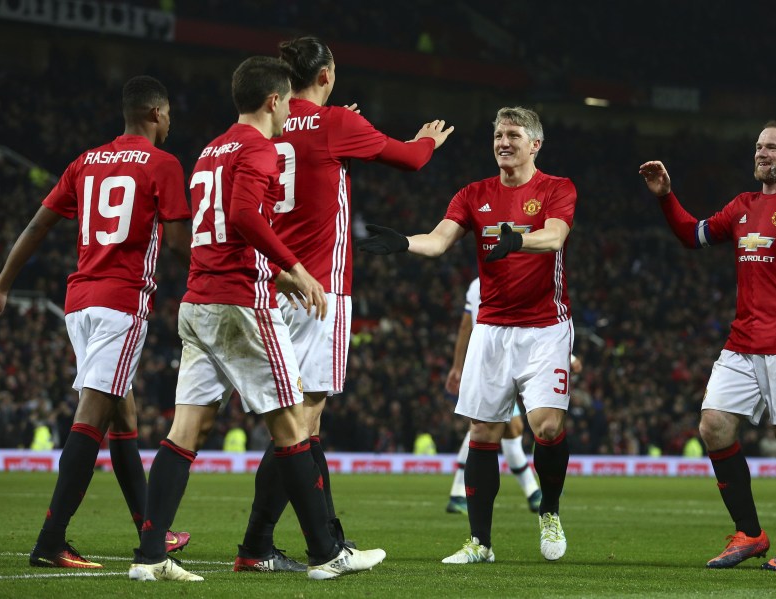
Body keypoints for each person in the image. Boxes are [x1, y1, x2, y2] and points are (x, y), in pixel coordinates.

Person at [127, 56, 385, 582]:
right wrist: (292, 267)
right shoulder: (260, 148)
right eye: (289, 101)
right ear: (273, 101)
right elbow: (244, 216)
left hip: (198, 299)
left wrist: (284, 275)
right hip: (241, 303)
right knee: (292, 424)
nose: (293, 110)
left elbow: (222, 228)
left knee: (185, 430)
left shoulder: (210, 151)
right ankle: (325, 553)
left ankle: (150, 556)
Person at [235, 35, 454, 566]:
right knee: (303, 424)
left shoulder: (277, 124)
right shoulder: (338, 124)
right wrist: (428, 139)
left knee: (292, 422)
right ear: (327, 75)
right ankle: (290, 546)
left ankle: (285, 542)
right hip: (320, 290)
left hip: (272, 284)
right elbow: (411, 160)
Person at [0, 75, 192, 569]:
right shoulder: (164, 164)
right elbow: (178, 245)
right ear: (156, 114)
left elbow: (37, 224)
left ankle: (150, 531)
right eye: (170, 114)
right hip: (122, 303)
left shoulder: (85, 161)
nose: (171, 122)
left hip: (79, 304)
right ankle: (51, 541)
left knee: (123, 417)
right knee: (92, 416)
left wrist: (3, 284)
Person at [358, 106, 577, 564]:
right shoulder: (473, 194)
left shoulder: (556, 188)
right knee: (483, 431)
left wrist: (518, 241)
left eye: (514, 135)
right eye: (498, 134)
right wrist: (404, 242)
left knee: (548, 426)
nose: (504, 142)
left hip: (545, 329)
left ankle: (549, 512)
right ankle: (480, 543)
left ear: (535, 144)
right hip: (492, 328)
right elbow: (438, 241)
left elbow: (555, 237)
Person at [639, 120, 776, 572]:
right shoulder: (743, 205)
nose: (761, 153)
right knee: (714, 426)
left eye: (772, 147)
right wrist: (664, 196)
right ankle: (750, 533)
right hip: (742, 341)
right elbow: (692, 236)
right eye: (758, 146)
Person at [445, 278, 583, 515]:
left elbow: (466, 327)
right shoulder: (519, 279)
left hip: (492, 355)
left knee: (495, 428)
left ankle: (523, 491)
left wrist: (458, 366)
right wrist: (567, 357)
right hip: (501, 356)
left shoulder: (477, 284)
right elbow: (524, 323)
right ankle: (529, 492)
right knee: (491, 427)